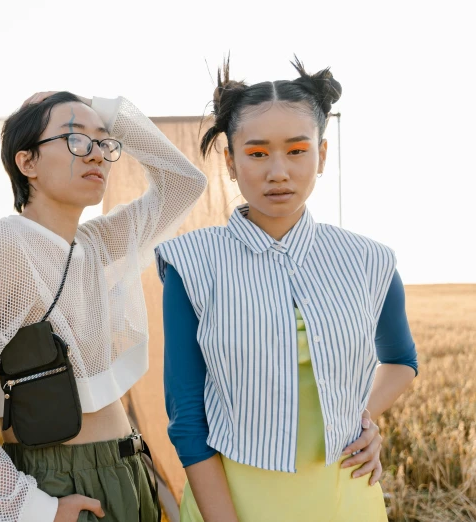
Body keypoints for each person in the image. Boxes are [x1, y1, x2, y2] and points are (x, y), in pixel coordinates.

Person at [0, 91, 208, 522]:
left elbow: (185, 183)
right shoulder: (0, 245)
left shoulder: (94, 243)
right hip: (58, 484)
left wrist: (105, 109)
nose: (96, 155)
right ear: (27, 163)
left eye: (103, 143)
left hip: (129, 469)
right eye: (75, 139)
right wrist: (34, 509)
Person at [156, 58, 418, 521]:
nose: (278, 171)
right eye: (257, 153)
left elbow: (401, 361)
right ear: (230, 162)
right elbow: (187, 417)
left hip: (346, 493)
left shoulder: (369, 259)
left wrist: (361, 416)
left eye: (297, 151)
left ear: (322, 154)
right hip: (232, 498)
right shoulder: (191, 262)